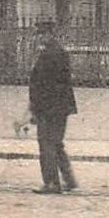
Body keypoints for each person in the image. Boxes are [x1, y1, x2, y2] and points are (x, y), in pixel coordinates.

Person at [27, 21, 78, 194]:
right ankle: (69, 180)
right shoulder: (60, 52)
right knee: (56, 143)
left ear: (49, 35)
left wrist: (36, 107)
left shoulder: (48, 55)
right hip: (60, 107)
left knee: (46, 144)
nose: (39, 38)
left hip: (48, 107)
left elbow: (43, 84)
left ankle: (51, 183)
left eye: (41, 34)